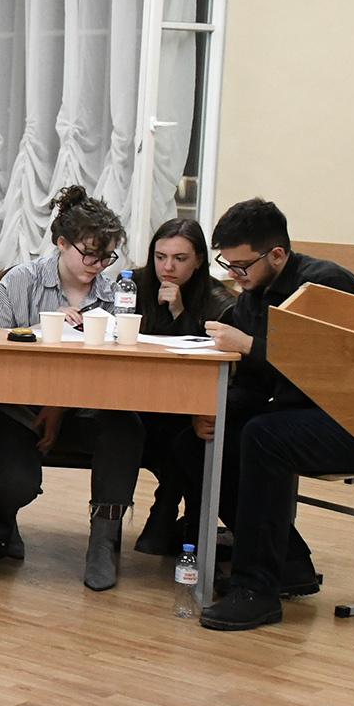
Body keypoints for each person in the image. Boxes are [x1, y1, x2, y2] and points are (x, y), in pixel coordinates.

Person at [197, 199, 354, 632]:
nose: (234, 275)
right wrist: (214, 413)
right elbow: (255, 387)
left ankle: (256, 590)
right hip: (301, 417)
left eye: (242, 265)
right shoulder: (252, 297)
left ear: (276, 254)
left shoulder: (327, 285)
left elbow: (339, 371)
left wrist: (249, 345)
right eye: (227, 264)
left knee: (265, 435)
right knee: (205, 438)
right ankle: (289, 563)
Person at [0, 184, 144, 592]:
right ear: (62, 243)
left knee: (125, 425)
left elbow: (120, 372)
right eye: (89, 254)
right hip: (21, 408)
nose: (97, 265)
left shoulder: (114, 295)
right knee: (12, 477)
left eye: (106, 257)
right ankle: (3, 518)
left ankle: (102, 542)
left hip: (86, 408)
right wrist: (36, 331)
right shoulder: (21, 281)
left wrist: (60, 404)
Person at [134, 218, 231, 557]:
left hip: (188, 406)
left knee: (188, 430)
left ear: (200, 260)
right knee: (173, 429)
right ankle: (175, 519)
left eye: (180, 258)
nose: (168, 268)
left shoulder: (219, 301)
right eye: (160, 257)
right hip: (138, 397)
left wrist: (179, 313)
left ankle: (167, 516)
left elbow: (212, 365)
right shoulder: (135, 286)